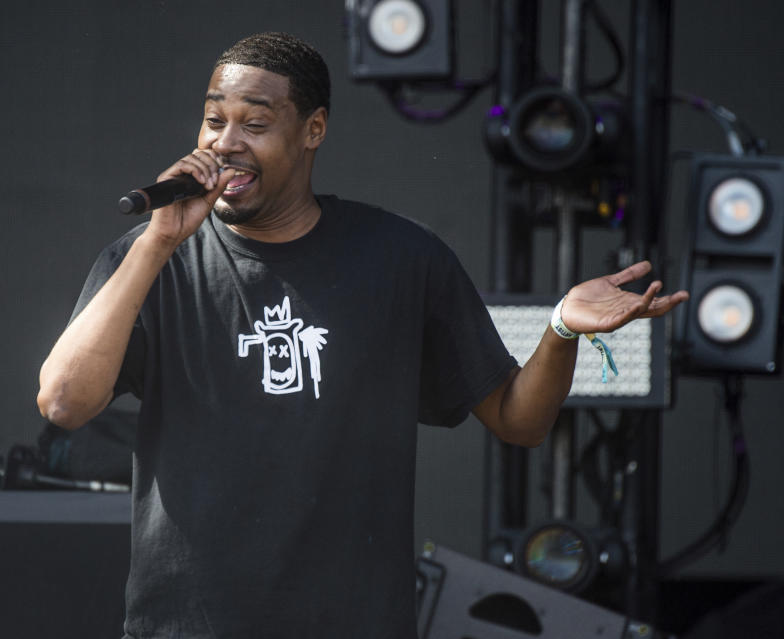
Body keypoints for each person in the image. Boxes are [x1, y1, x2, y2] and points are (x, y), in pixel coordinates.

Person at [37, 32, 687, 639]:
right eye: (215, 120)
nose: (226, 142)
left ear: (313, 129)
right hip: (185, 623)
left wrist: (561, 327)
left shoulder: (401, 256)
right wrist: (157, 241)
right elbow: (64, 402)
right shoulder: (149, 258)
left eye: (256, 124)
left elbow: (519, 419)